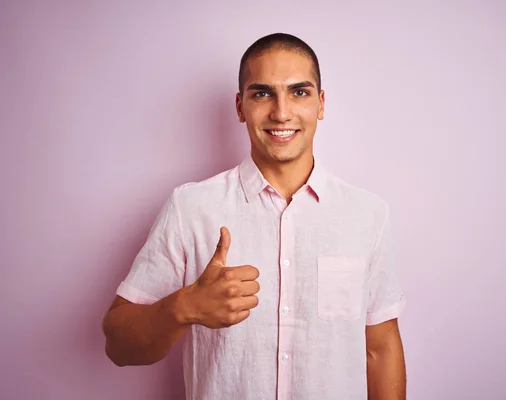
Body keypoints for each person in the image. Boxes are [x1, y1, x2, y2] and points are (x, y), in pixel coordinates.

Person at [102, 32, 407, 400]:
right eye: (262, 93)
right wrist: (183, 306)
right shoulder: (191, 208)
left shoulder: (368, 215)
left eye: (299, 92)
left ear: (321, 103)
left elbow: (380, 348)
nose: (281, 112)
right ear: (240, 106)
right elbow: (117, 346)